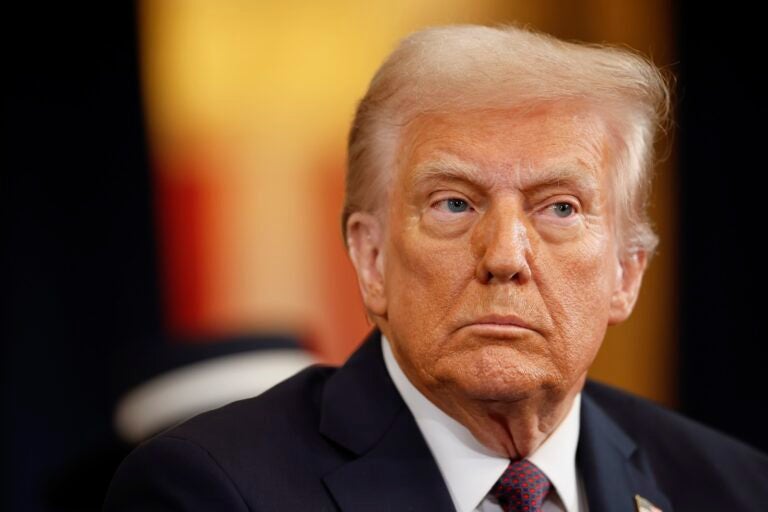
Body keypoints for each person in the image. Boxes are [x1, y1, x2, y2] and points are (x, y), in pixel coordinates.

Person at [104, 24, 768, 512]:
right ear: (371, 259)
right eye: (454, 203)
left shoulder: (731, 489)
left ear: (627, 272)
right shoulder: (210, 490)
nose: (505, 256)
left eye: (560, 208)